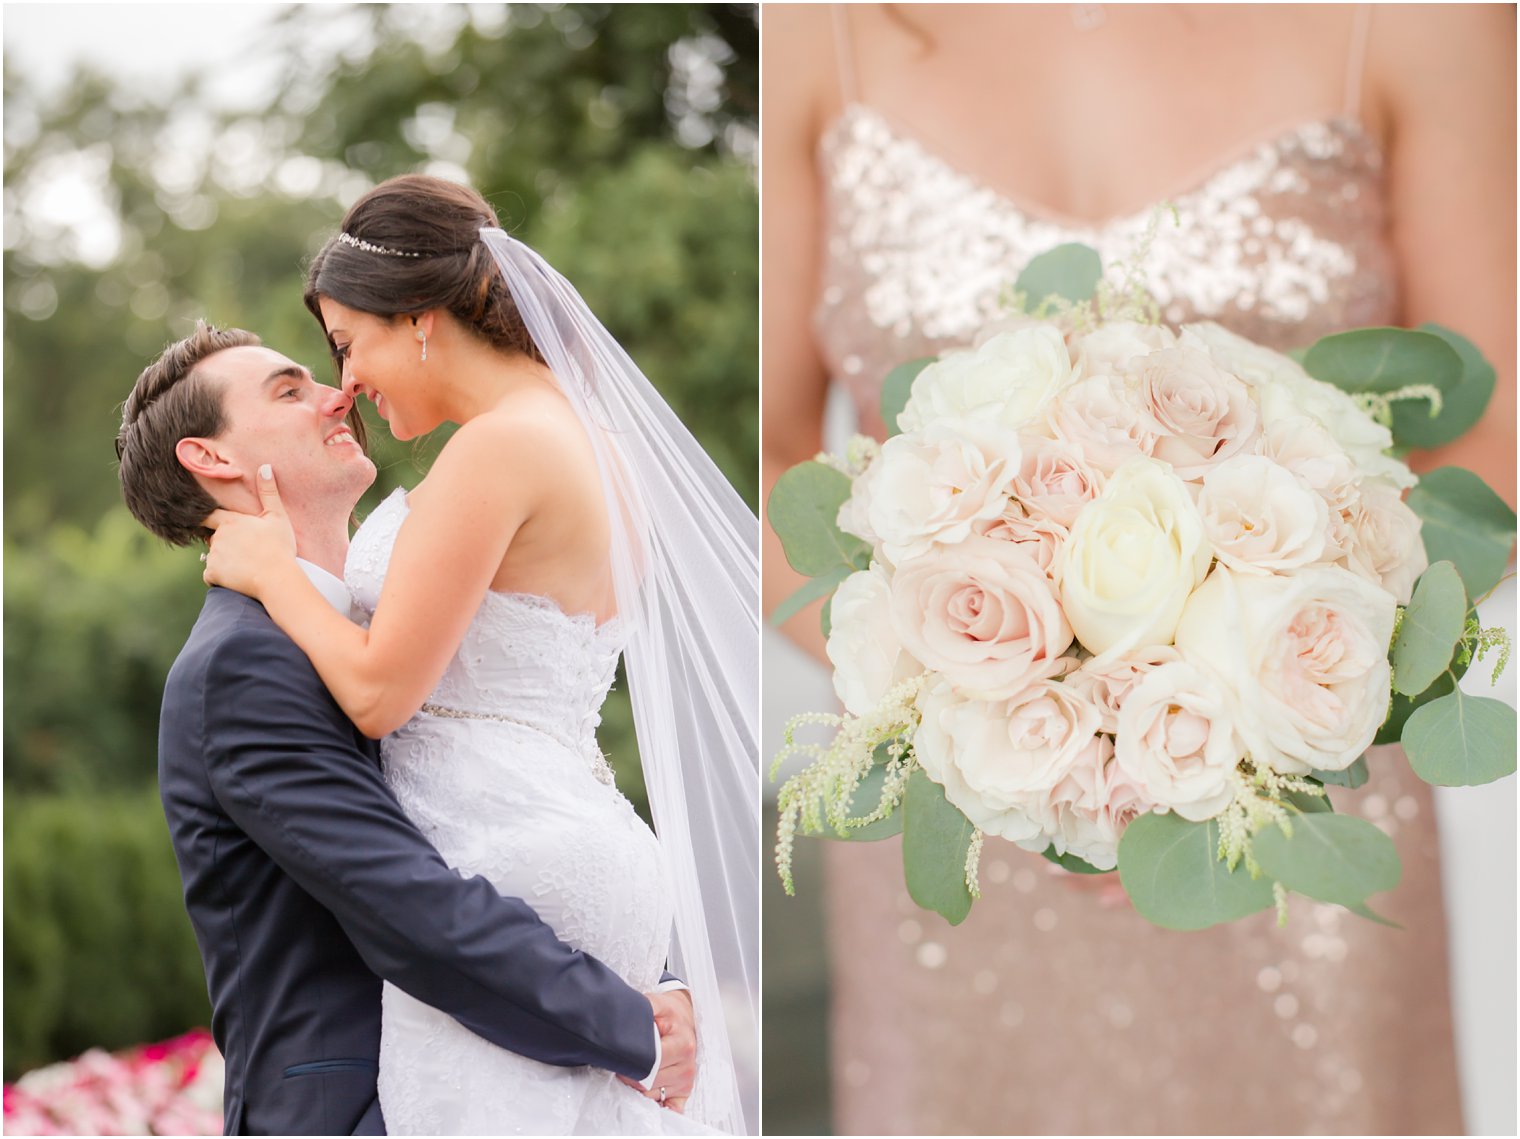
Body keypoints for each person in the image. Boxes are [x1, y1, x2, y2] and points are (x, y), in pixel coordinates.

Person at [762, 3, 1513, 1134]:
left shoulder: (1420, 21)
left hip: (1296, 807)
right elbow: (762, 459)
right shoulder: (813, 33)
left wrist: (1232, 734)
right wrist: (987, 706)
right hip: (968, 806)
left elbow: (1488, 440)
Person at [200, 175, 759, 1134]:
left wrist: (272, 572)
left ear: (417, 318)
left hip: (507, 853)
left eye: (347, 343)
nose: (347, 383)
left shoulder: (498, 449)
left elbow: (376, 692)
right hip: (590, 836)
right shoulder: (596, 442)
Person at [116, 322, 698, 1135]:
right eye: (290, 390)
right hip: (360, 1111)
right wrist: (631, 1023)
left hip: (509, 1078)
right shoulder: (241, 668)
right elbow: (407, 906)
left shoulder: (396, 635)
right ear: (211, 458)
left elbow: (513, 804)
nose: (338, 392)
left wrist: (648, 974)